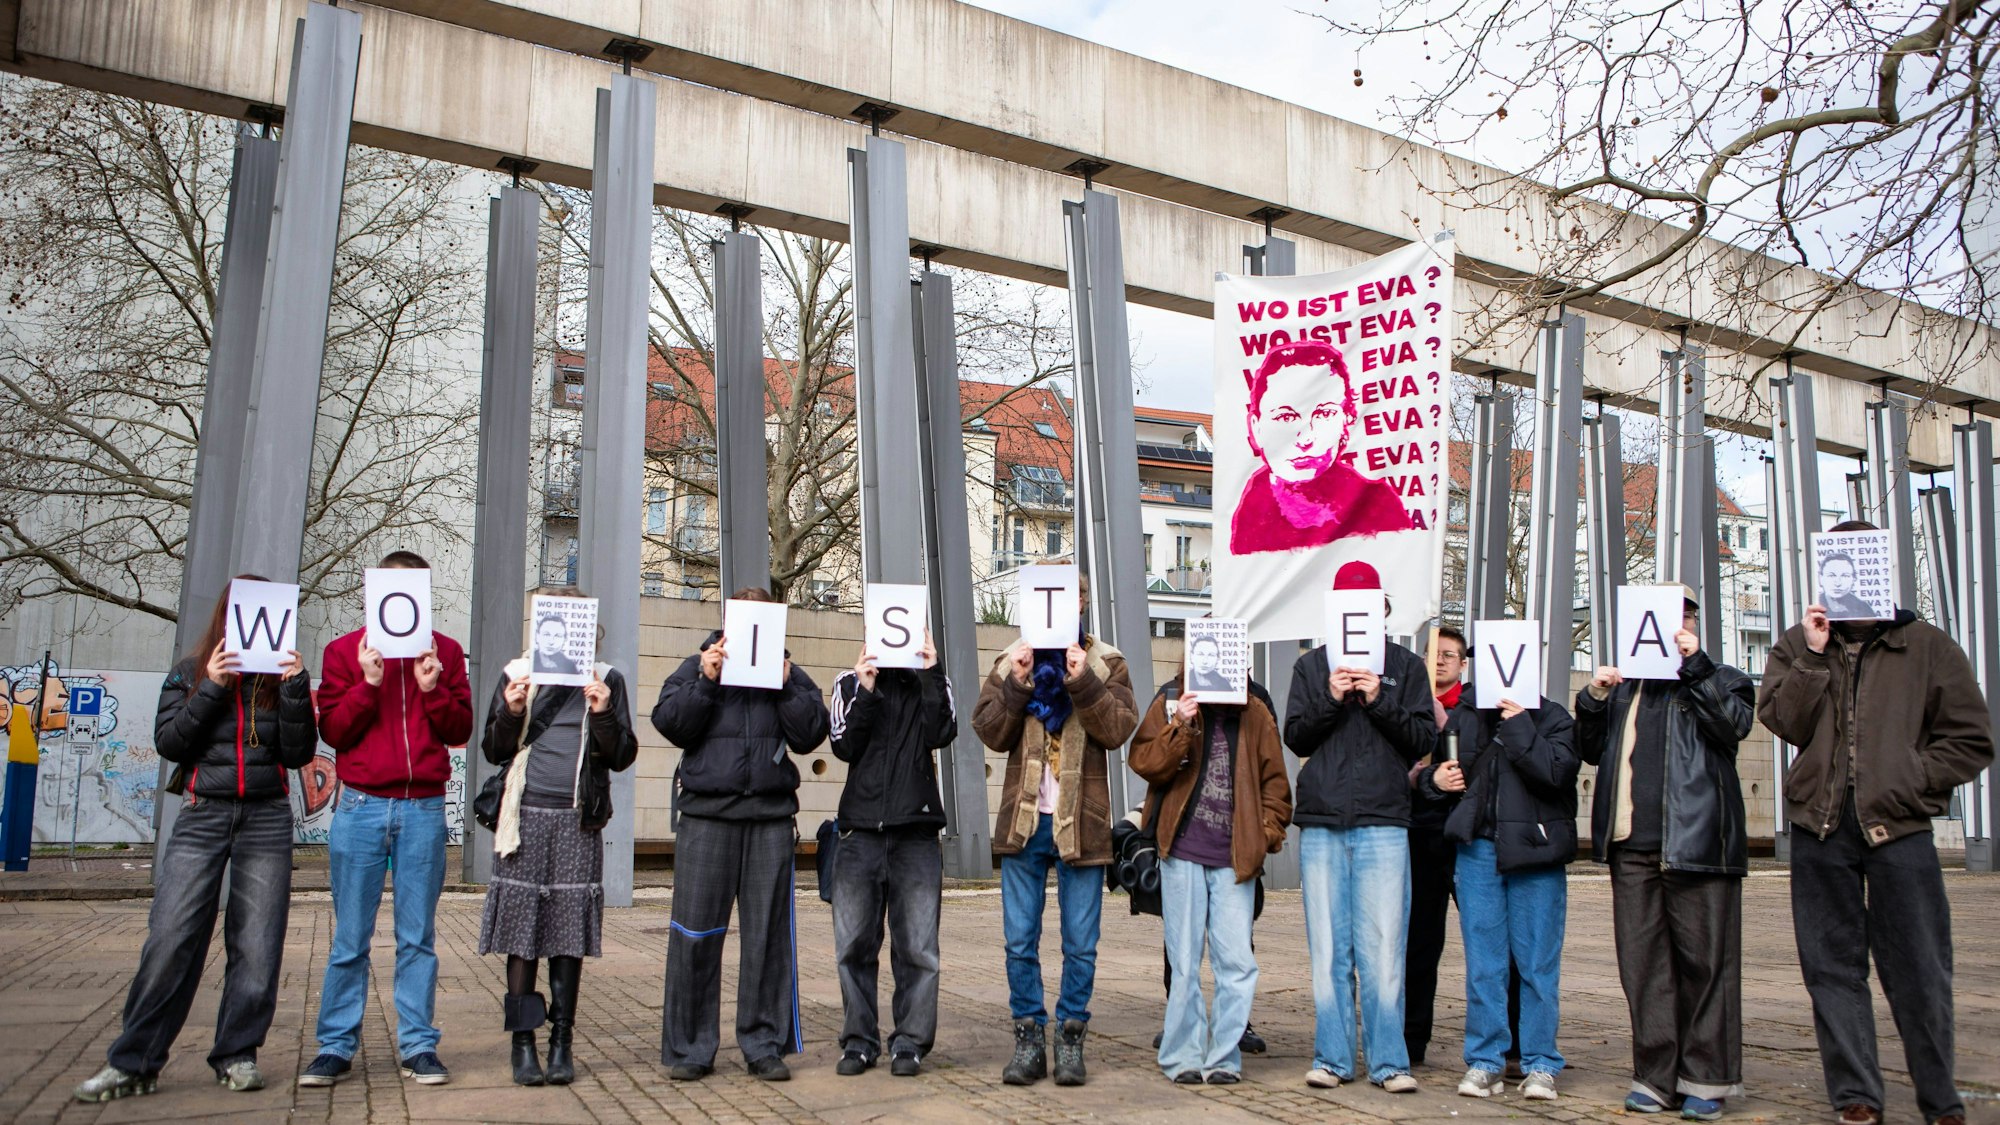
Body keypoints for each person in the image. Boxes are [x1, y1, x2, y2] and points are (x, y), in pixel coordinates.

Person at [1758, 520, 1992, 1125]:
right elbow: (1784, 722)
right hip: (1820, 829)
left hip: (1900, 831)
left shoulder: (1928, 646)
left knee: (1919, 968)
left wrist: (1912, 777)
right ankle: (1856, 1094)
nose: (1841, 579)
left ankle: (1939, 1097)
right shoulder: (1797, 644)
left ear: (1877, 571)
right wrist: (1811, 657)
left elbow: (1970, 739)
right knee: (1831, 968)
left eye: (1851, 568)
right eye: (1830, 569)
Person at [74, 578, 318, 1102]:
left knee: (257, 943)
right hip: (202, 812)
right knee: (171, 936)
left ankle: (237, 1055)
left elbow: (298, 756)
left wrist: (296, 688)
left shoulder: (281, 681)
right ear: (226, 617)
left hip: (266, 817)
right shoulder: (189, 671)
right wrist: (211, 684)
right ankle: (134, 1061)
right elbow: (170, 741)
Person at [1575, 588, 1755, 1120]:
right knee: (1644, 966)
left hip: (1698, 844)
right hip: (1633, 845)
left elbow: (1732, 726)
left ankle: (1706, 1077)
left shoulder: (1720, 677)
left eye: (1680, 617)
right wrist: (1593, 698)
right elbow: (1591, 749)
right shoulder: (1627, 688)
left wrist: (1694, 666)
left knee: (1706, 963)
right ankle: (1655, 1075)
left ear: (1693, 623)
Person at [302, 550, 473, 1089]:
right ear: (371, 594)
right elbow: (334, 732)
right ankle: (334, 1046)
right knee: (350, 936)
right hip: (360, 806)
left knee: (417, 936)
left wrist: (432, 688)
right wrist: (368, 682)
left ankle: (419, 1045)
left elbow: (458, 727)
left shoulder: (444, 651)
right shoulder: (343, 651)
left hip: (422, 807)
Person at [652, 586, 831, 1083]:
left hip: (770, 821)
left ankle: (762, 1044)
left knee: (768, 938)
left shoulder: (789, 671)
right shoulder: (698, 665)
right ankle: (691, 1048)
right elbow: (670, 723)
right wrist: (707, 679)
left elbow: (811, 733)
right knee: (695, 934)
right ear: (730, 618)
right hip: (707, 819)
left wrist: (787, 686)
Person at [972, 572, 1139, 1088]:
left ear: (1083, 605)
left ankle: (1070, 1037)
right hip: (1023, 823)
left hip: (1081, 824)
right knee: (1019, 940)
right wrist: (1018, 682)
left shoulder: (1106, 661)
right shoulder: (1012, 657)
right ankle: (1027, 1038)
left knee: (1080, 942)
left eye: (1077, 599)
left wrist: (1082, 677)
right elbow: (988, 730)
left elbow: (1117, 731)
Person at [477, 588, 639, 1087]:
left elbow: (622, 754)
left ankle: (561, 1040)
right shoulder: (517, 672)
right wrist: (510, 708)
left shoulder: (606, 677)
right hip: (523, 817)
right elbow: (493, 748)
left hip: (577, 820)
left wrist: (604, 711)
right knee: (522, 934)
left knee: (567, 935)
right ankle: (523, 1042)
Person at [1283, 561, 1433, 1093]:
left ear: (1382, 611)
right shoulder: (1311, 666)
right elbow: (1296, 735)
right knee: (1328, 948)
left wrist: (1378, 697)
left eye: (1368, 606)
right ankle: (1333, 1058)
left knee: (1385, 946)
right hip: (1324, 821)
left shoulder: (1407, 666)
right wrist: (1329, 695)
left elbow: (1422, 740)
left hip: (1385, 821)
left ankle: (1389, 1062)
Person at [1130, 664, 1292, 1085]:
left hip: (1234, 859)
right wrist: (1179, 724)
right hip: (1182, 851)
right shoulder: (1172, 698)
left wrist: (1263, 837)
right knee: (1183, 961)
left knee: (1236, 962)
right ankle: (1182, 1056)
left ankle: (1223, 1058)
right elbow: (1144, 761)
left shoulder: (1255, 712)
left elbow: (1276, 788)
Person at [1429, 679, 1577, 1103]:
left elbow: (1556, 774)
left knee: (1537, 965)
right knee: (1484, 964)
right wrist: (1436, 781)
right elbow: (1439, 780)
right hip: (1479, 850)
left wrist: (1520, 726)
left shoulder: (1552, 716)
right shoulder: (1466, 715)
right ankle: (1485, 1060)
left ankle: (1541, 1063)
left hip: (1537, 851)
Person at [825, 633, 956, 1078]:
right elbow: (843, 745)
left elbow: (943, 732)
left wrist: (931, 674)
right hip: (858, 832)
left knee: (918, 948)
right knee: (853, 946)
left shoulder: (930, 679)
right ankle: (859, 1042)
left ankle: (910, 1042)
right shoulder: (849, 682)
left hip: (916, 832)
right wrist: (866, 690)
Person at [1231, 339, 1413, 554]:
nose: (1306, 438)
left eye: (1324, 413)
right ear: (1256, 428)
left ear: (1346, 420)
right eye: (1285, 417)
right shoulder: (1245, 518)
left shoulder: (1379, 506)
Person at [1404, 625, 1463, 1069]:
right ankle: (1411, 1039)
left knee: (1488, 944)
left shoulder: (1477, 706)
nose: (1440, 661)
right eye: (1434, 654)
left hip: (1463, 836)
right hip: (1418, 834)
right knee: (1420, 942)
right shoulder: (1411, 701)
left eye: (1449, 655)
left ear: (1462, 663)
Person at [1816, 554, 1880, 620]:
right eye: (1831, 576)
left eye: (1845, 576)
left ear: (1854, 579)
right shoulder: (1814, 604)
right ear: (1821, 578)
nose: (1838, 583)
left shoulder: (1864, 609)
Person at [530, 612, 581, 677]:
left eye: (557, 636)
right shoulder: (525, 664)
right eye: (546, 634)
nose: (551, 642)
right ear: (537, 636)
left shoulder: (570, 666)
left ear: (565, 639)